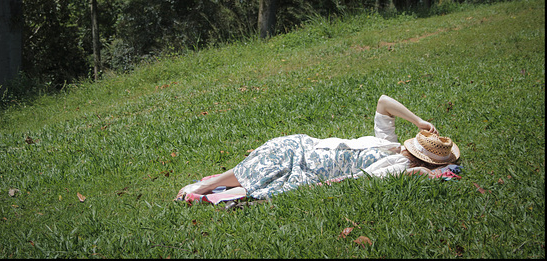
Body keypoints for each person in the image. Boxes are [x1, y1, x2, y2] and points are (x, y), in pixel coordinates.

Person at [175, 94, 460, 201]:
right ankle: (212, 184)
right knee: (274, 150)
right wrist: (418, 119)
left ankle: (206, 188)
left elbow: (416, 175)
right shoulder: (390, 144)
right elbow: (384, 102)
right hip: (307, 146)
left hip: (311, 169)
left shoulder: (399, 167)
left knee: (269, 169)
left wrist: (427, 170)